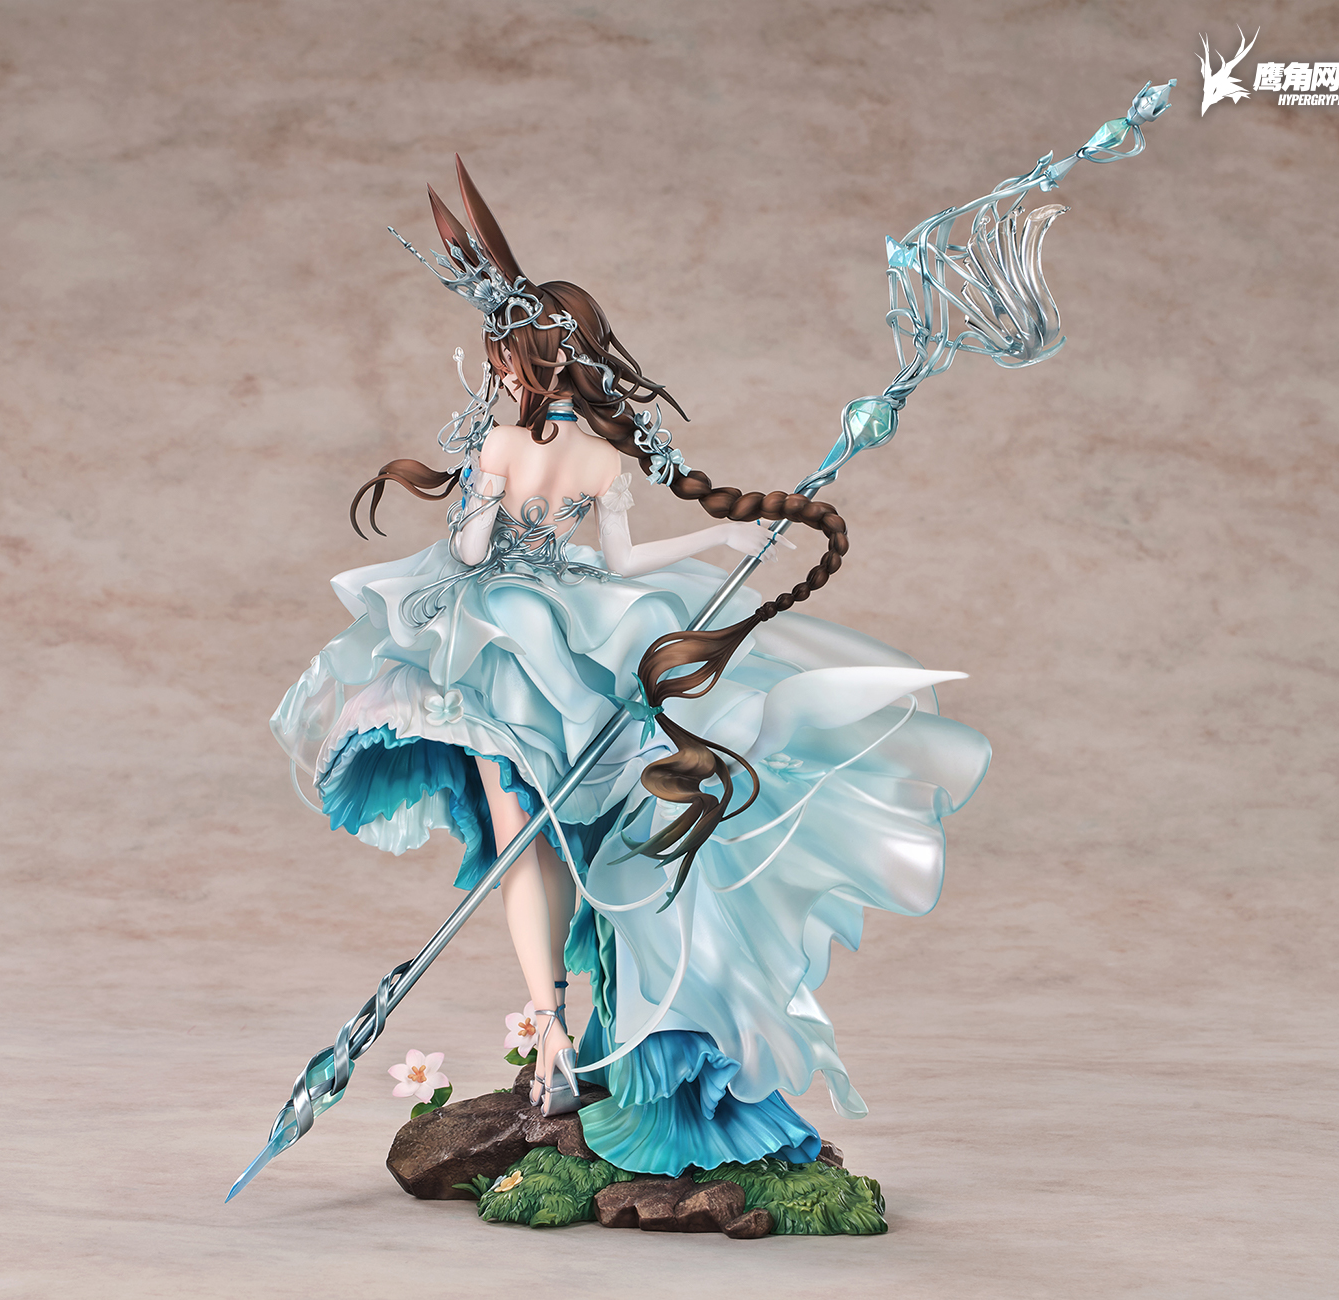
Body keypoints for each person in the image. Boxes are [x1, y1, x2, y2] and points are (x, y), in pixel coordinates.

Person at [270, 160, 990, 1176]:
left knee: (522, 841)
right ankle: (567, 1031)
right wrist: (711, 543)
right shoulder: (604, 456)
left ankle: (553, 1032)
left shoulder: (502, 445)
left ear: (526, 358)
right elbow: (618, 562)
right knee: (567, 835)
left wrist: (480, 488)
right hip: (589, 639)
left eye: (501, 356)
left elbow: (470, 556)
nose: (495, 371)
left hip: (498, 648)